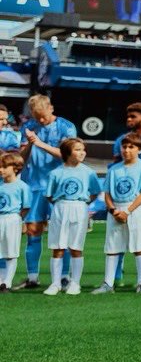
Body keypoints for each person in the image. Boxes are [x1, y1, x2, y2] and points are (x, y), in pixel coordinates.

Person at [17, 95, 76, 290]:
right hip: (34, 185)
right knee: (33, 230)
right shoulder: (29, 127)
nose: (40, 121)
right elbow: (21, 159)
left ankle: (64, 276)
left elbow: (68, 155)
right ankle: (32, 277)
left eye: (43, 116)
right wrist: (29, 144)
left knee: (62, 232)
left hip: (59, 186)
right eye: (36, 117)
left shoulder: (66, 127)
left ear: (51, 107)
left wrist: (40, 143)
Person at [45, 139, 99, 296]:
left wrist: (83, 203)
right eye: (77, 149)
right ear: (67, 153)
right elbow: (49, 195)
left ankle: (75, 283)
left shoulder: (88, 172)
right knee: (58, 247)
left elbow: (94, 192)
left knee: (76, 248)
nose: (82, 153)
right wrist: (61, 204)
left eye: (83, 149)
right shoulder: (56, 173)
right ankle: (55, 283)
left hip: (79, 208)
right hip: (60, 207)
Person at [103, 134, 141, 294]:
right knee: (112, 247)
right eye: (124, 147)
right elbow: (107, 193)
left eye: (131, 147)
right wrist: (113, 210)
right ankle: (108, 283)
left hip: (135, 210)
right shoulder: (114, 169)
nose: (127, 150)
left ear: (139, 149)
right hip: (116, 211)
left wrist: (127, 211)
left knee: (139, 245)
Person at [0, 154, 29, 291]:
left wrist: (21, 221)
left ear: (16, 168)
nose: (1, 170)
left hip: (12, 218)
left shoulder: (22, 186)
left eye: (5, 167)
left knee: (11, 250)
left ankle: (7, 281)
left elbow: (26, 206)